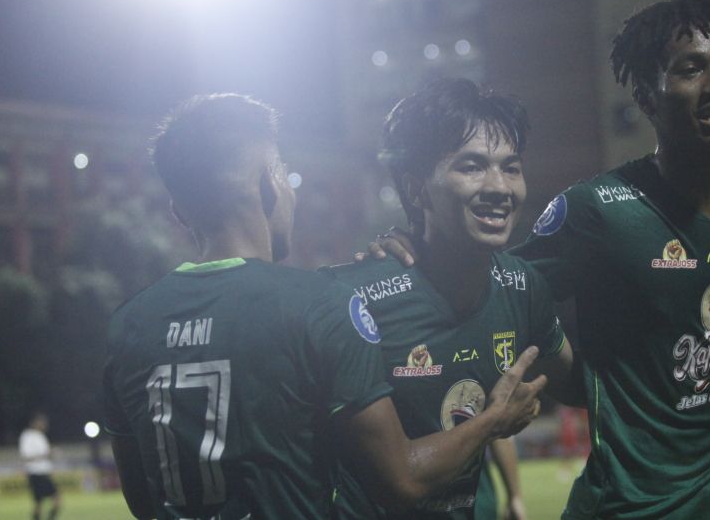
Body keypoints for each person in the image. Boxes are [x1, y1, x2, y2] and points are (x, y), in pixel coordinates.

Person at [375, 0, 710, 517]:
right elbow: (498, 289)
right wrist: (417, 246)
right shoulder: (598, 210)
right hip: (617, 509)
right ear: (648, 97)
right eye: (691, 69)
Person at [102, 93, 544, 519]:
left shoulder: (128, 326)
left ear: (180, 213)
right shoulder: (320, 305)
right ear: (270, 186)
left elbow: (142, 499)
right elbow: (402, 479)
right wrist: (493, 420)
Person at [321, 79, 575, 519]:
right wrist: (493, 421)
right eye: (472, 166)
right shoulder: (356, 299)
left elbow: (582, 383)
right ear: (416, 187)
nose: (499, 187)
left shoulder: (522, 286)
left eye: (511, 168)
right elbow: (401, 481)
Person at [19, 412, 61, 520]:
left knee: (56, 500)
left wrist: (51, 456)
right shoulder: (27, 436)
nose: (44, 425)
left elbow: (45, 456)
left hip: (44, 473)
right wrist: (46, 455)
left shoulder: (41, 436)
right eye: (42, 422)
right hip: (35, 473)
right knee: (39, 503)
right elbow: (26, 457)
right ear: (35, 423)